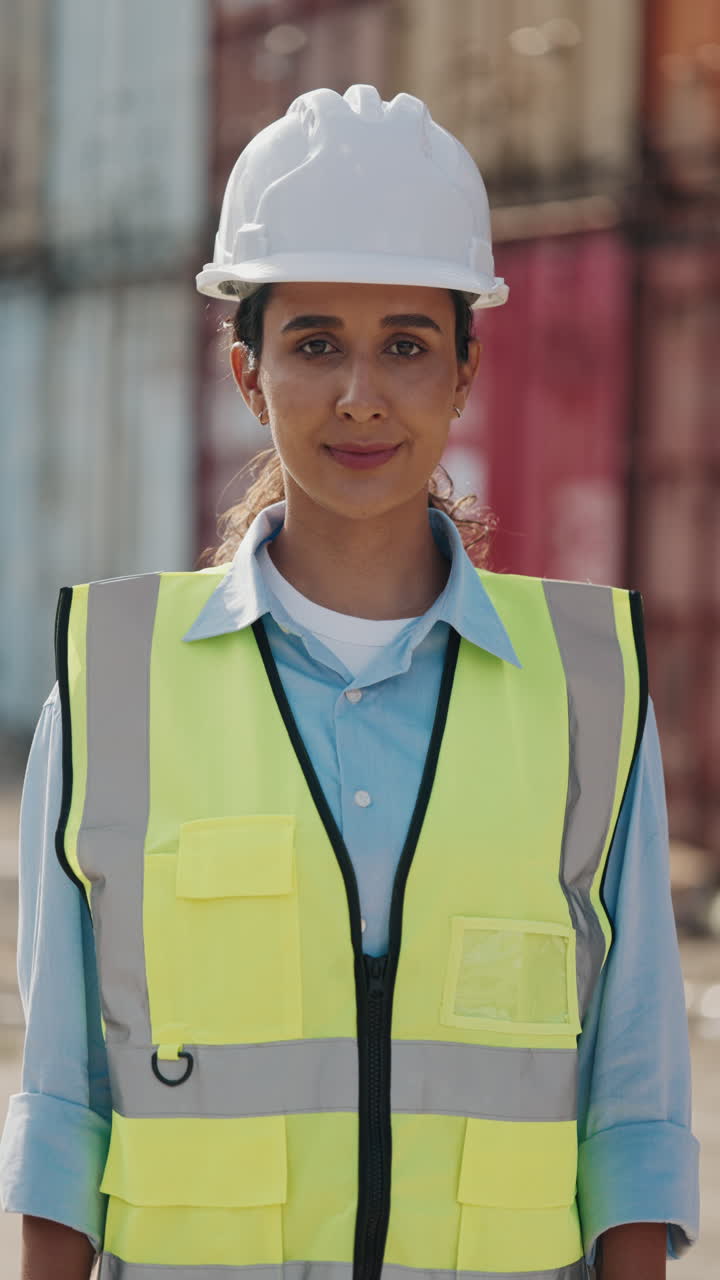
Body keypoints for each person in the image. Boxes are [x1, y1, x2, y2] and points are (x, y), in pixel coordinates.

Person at [0, 85, 699, 1280]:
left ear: (467, 373)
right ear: (246, 372)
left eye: (408, 345)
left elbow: (631, 1106)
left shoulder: (587, 686)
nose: (361, 394)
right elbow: (66, 1100)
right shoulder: (114, 678)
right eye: (314, 341)